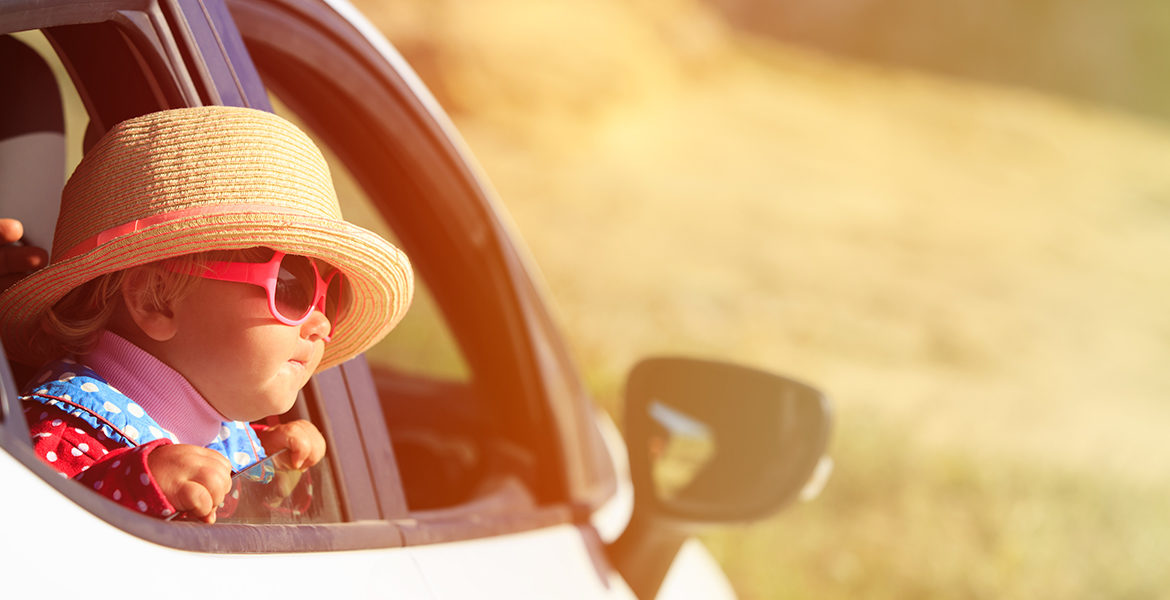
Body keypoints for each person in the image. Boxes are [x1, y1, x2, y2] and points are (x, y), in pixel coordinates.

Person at [0, 106, 413, 523]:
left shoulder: (228, 435)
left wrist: (264, 464)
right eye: (293, 286)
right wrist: (130, 487)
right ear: (155, 300)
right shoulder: (54, 438)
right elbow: (31, 549)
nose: (322, 323)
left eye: (332, 295)